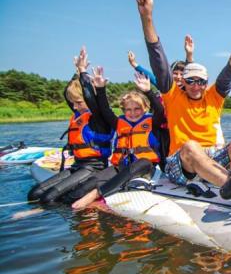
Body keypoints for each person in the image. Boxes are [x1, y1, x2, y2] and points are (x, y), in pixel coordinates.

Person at [136, 0, 231, 207]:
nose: (196, 85)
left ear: (206, 83)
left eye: (201, 81)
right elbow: (156, 56)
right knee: (191, 146)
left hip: (213, 160)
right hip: (181, 164)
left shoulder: (214, 96)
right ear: (183, 83)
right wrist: (147, 17)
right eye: (191, 81)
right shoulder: (173, 96)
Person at [28, 47, 116, 204]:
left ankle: (35, 214)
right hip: (77, 165)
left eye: (78, 102)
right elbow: (68, 94)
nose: (74, 107)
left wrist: (83, 71)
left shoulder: (99, 117)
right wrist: (76, 72)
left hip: (93, 167)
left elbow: (89, 96)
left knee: (48, 198)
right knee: (34, 194)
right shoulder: (79, 114)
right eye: (73, 103)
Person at [72, 68, 165, 209]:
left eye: (137, 108)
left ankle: (96, 194)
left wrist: (148, 91)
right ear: (123, 110)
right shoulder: (119, 123)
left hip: (145, 168)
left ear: (145, 108)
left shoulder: (153, 122)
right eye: (128, 109)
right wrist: (101, 89)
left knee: (143, 161)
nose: (132, 113)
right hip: (121, 167)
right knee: (82, 188)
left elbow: (159, 109)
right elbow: (105, 110)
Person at [128, 34, 195, 89]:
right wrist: (134, 64)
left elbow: (191, 72)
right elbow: (150, 76)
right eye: (175, 73)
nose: (178, 77)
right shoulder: (166, 86)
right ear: (170, 74)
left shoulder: (190, 90)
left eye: (182, 74)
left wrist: (189, 54)